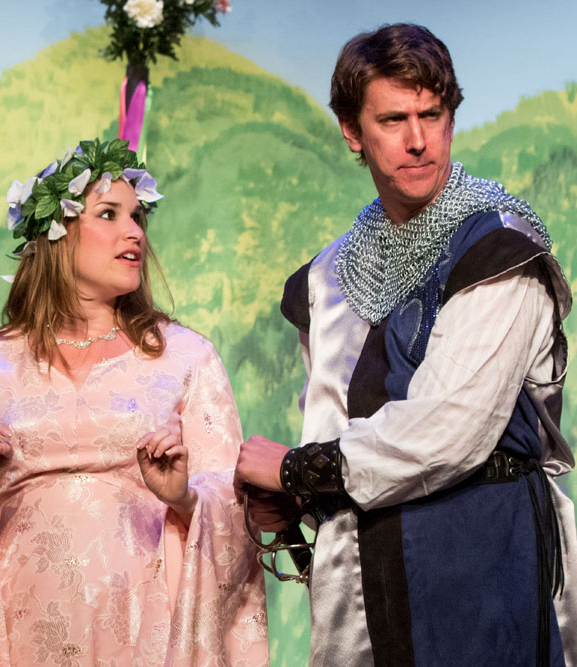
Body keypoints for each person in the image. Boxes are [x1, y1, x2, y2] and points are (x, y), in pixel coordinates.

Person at [234, 23, 577, 666]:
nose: (418, 140)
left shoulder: (499, 252)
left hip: (481, 561)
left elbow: (451, 429)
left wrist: (295, 469)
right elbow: (337, 424)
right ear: (351, 132)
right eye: (393, 118)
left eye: (433, 114)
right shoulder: (329, 278)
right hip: (364, 573)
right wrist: (296, 501)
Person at [0, 138, 268, 665]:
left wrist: (184, 495)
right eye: (110, 214)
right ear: (56, 234)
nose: (135, 231)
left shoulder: (185, 357)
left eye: (139, 217)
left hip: (148, 627)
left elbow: (234, 505)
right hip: (19, 627)